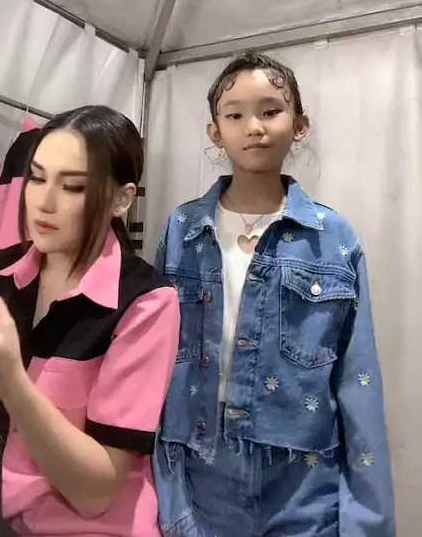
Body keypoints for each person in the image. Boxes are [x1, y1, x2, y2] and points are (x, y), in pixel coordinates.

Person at [153, 52, 395, 537]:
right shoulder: (182, 229)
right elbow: (155, 363)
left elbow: (358, 380)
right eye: (235, 115)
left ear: (300, 125)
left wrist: (367, 520)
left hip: (304, 486)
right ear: (215, 132)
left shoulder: (333, 238)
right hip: (200, 479)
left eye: (270, 111)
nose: (254, 127)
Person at [0, 105, 180, 537]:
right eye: (36, 178)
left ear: (121, 199)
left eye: (72, 187)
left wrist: (9, 377)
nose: (44, 202)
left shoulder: (145, 303)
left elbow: (95, 495)